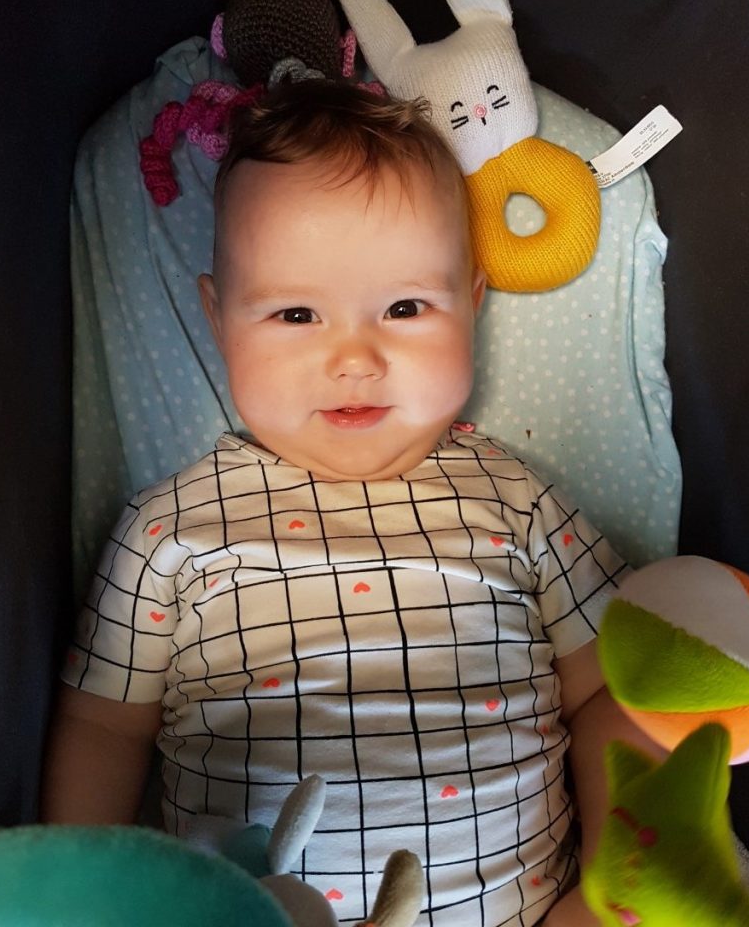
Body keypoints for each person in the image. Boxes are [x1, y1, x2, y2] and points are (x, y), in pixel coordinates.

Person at [43, 79, 659, 926]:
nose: (355, 359)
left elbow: (612, 693)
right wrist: (82, 895)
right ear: (219, 320)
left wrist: (610, 882)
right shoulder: (170, 532)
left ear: (472, 303)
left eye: (405, 307)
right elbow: (105, 728)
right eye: (297, 314)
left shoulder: (518, 503)